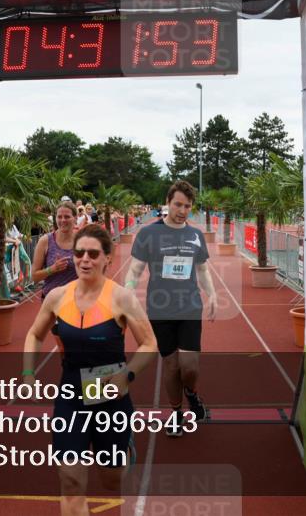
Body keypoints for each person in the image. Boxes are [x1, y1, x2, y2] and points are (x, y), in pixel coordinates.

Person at [22, 223, 157, 516]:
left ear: (108, 258)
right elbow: (34, 334)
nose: (85, 259)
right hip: (71, 392)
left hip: (111, 393)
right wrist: (28, 375)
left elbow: (149, 344)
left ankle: (125, 449)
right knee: (70, 479)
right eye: (79, 253)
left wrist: (127, 375)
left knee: (112, 479)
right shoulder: (58, 296)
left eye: (93, 254)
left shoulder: (122, 298)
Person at [125, 180, 217, 436]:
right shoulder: (148, 234)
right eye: (178, 204)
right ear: (168, 203)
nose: (182, 210)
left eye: (187, 206)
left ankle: (192, 393)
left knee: (189, 366)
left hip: (189, 307)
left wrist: (212, 295)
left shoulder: (195, 235)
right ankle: (176, 413)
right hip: (159, 309)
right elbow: (135, 269)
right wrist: (128, 292)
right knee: (171, 365)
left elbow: (202, 269)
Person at [32, 200, 79, 300]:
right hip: (51, 301)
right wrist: (52, 269)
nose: (63, 220)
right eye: (59, 217)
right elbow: (34, 277)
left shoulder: (82, 240)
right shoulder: (45, 241)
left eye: (67, 217)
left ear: (75, 218)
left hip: (75, 301)